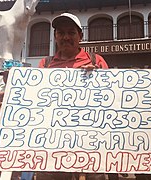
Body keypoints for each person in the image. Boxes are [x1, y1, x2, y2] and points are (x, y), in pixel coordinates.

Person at [37, 12, 108, 180]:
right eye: (61, 33)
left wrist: (99, 80)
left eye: (71, 32)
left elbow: (110, 101)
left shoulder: (96, 61)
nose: (66, 37)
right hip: (52, 149)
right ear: (55, 36)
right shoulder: (44, 65)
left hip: (90, 148)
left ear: (80, 36)